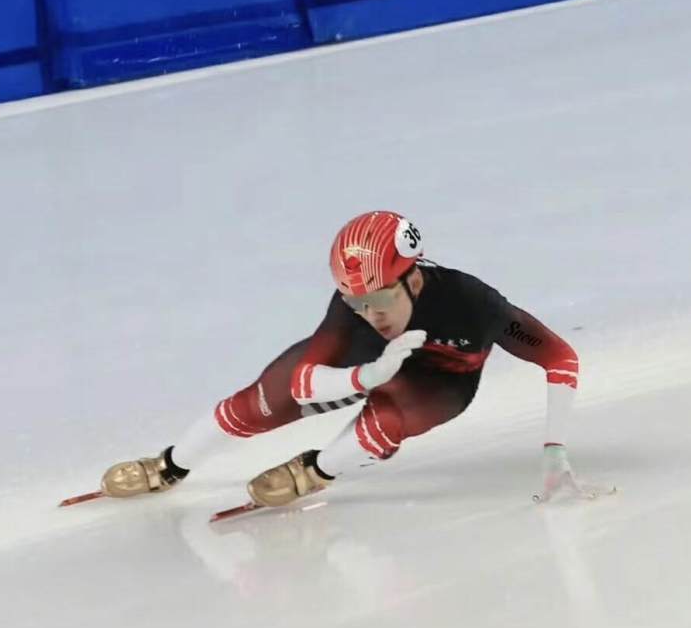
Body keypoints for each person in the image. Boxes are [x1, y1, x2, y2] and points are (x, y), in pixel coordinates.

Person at [98, 210, 592, 507]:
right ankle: (170, 465)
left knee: (388, 418)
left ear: (413, 279)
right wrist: (368, 374)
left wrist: (555, 447)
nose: (367, 312)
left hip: (440, 382)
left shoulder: (476, 307)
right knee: (263, 398)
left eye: (377, 299)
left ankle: (316, 470)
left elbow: (560, 357)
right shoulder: (355, 308)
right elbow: (305, 382)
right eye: (354, 301)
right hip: (372, 362)